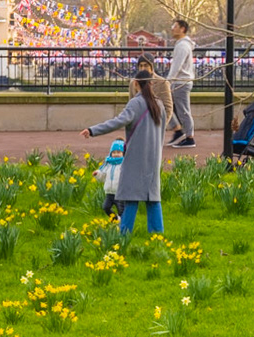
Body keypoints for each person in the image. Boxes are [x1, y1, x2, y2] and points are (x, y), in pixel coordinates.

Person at [81, 63, 168, 236]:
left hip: (135, 157)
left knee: (131, 197)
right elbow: (163, 131)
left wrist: (92, 130)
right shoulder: (159, 105)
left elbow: (117, 122)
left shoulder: (135, 104)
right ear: (151, 84)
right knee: (152, 198)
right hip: (153, 156)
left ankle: (124, 235)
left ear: (136, 83)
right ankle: (157, 236)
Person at [166, 18, 196, 149]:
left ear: (182, 29)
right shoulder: (181, 44)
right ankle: (178, 130)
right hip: (180, 82)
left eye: (175, 26)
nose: (172, 28)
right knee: (165, 105)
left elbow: (176, 66)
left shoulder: (183, 46)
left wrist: (168, 81)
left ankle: (189, 138)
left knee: (183, 110)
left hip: (181, 82)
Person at [94, 138, 125, 217]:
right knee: (106, 207)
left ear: (123, 153)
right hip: (109, 192)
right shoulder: (108, 164)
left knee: (121, 211)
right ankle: (115, 219)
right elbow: (103, 177)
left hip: (120, 193)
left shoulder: (124, 164)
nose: (116, 154)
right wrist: (97, 174)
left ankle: (123, 225)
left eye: (118, 152)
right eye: (113, 152)